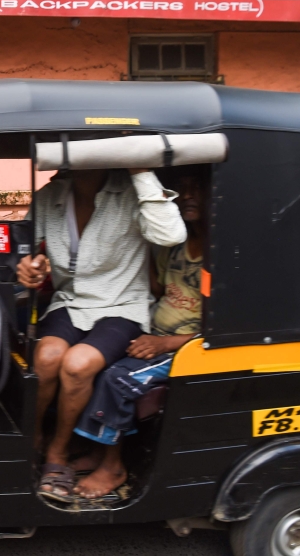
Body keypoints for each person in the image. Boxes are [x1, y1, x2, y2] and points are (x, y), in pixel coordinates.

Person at [16, 167, 186, 501]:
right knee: (47, 357)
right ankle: (34, 436)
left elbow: (170, 234)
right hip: (70, 302)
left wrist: (140, 171)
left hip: (123, 305)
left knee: (78, 364)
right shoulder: (50, 196)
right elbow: (23, 245)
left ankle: (57, 452)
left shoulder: (132, 194)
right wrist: (26, 265)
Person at [71, 165, 207, 499]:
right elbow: (159, 287)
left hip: (188, 348)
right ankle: (99, 450)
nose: (187, 195)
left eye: (197, 188)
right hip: (156, 333)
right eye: (181, 187)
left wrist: (164, 343)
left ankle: (113, 466)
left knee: (117, 378)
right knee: (95, 358)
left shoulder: (218, 256)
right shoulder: (177, 243)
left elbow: (222, 328)